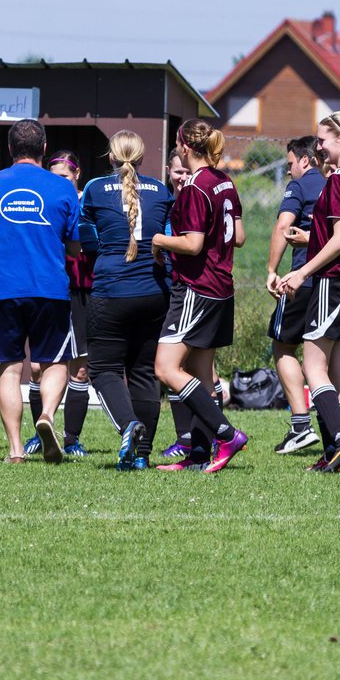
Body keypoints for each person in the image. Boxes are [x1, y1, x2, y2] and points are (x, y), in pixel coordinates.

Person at [0, 119, 81, 464]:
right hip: (50, 289)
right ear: (44, 149)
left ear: (10, 149)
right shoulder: (62, 188)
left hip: (3, 289)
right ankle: (46, 415)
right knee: (55, 361)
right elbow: (75, 249)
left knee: (10, 369)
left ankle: (15, 450)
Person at [276, 111, 340, 474]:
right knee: (338, 369)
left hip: (336, 279)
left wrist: (302, 271)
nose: (318, 146)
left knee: (312, 365)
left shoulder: (339, 181)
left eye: (322, 140)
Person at [152, 119, 248, 474]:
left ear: (183, 145)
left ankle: (226, 433)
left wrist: (159, 241)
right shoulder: (225, 181)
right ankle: (197, 456)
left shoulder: (195, 186)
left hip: (197, 287)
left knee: (165, 367)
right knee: (201, 375)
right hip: (221, 286)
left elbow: (192, 244)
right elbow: (238, 237)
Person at [81, 131, 174, 470]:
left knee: (103, 369)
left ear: (110, 157)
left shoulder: (93, 189)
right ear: (142, 158)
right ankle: (142, 455)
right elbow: (167, 237)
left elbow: (87, 242)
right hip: (154, 291)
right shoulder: (162, 190)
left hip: (112, 290)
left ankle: (128, 425)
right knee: (144, 372)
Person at [24, 150, 94, 457]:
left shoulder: (87, 203)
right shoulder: (43, 201)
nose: (59, 182)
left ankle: (71, 438)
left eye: (64, 177)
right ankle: (41, 433)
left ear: (77, 175)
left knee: (79, 369)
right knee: (38, 368)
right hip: (49, 289)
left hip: (82, 291)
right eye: (53, 177)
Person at [265, 136, 325, 454]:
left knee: (283, 345)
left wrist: (272, 271)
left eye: (290, 164)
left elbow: (282, 227)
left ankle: (301, 426)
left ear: (304, 160)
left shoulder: (301, 186)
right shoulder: (333, 184)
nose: (289, 171)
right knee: (322, 356)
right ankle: (336, 431)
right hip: (332, 284)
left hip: (300, 280)